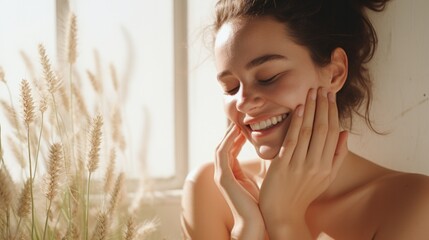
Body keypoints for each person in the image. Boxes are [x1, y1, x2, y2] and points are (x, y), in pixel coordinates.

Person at [181, 0, 429, 239]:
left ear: (334, 73)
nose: (243, 102)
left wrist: (284, 221)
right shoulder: (209, 192)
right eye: (230, 87)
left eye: (268, 77)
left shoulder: (410, 205)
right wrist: (246, 230)